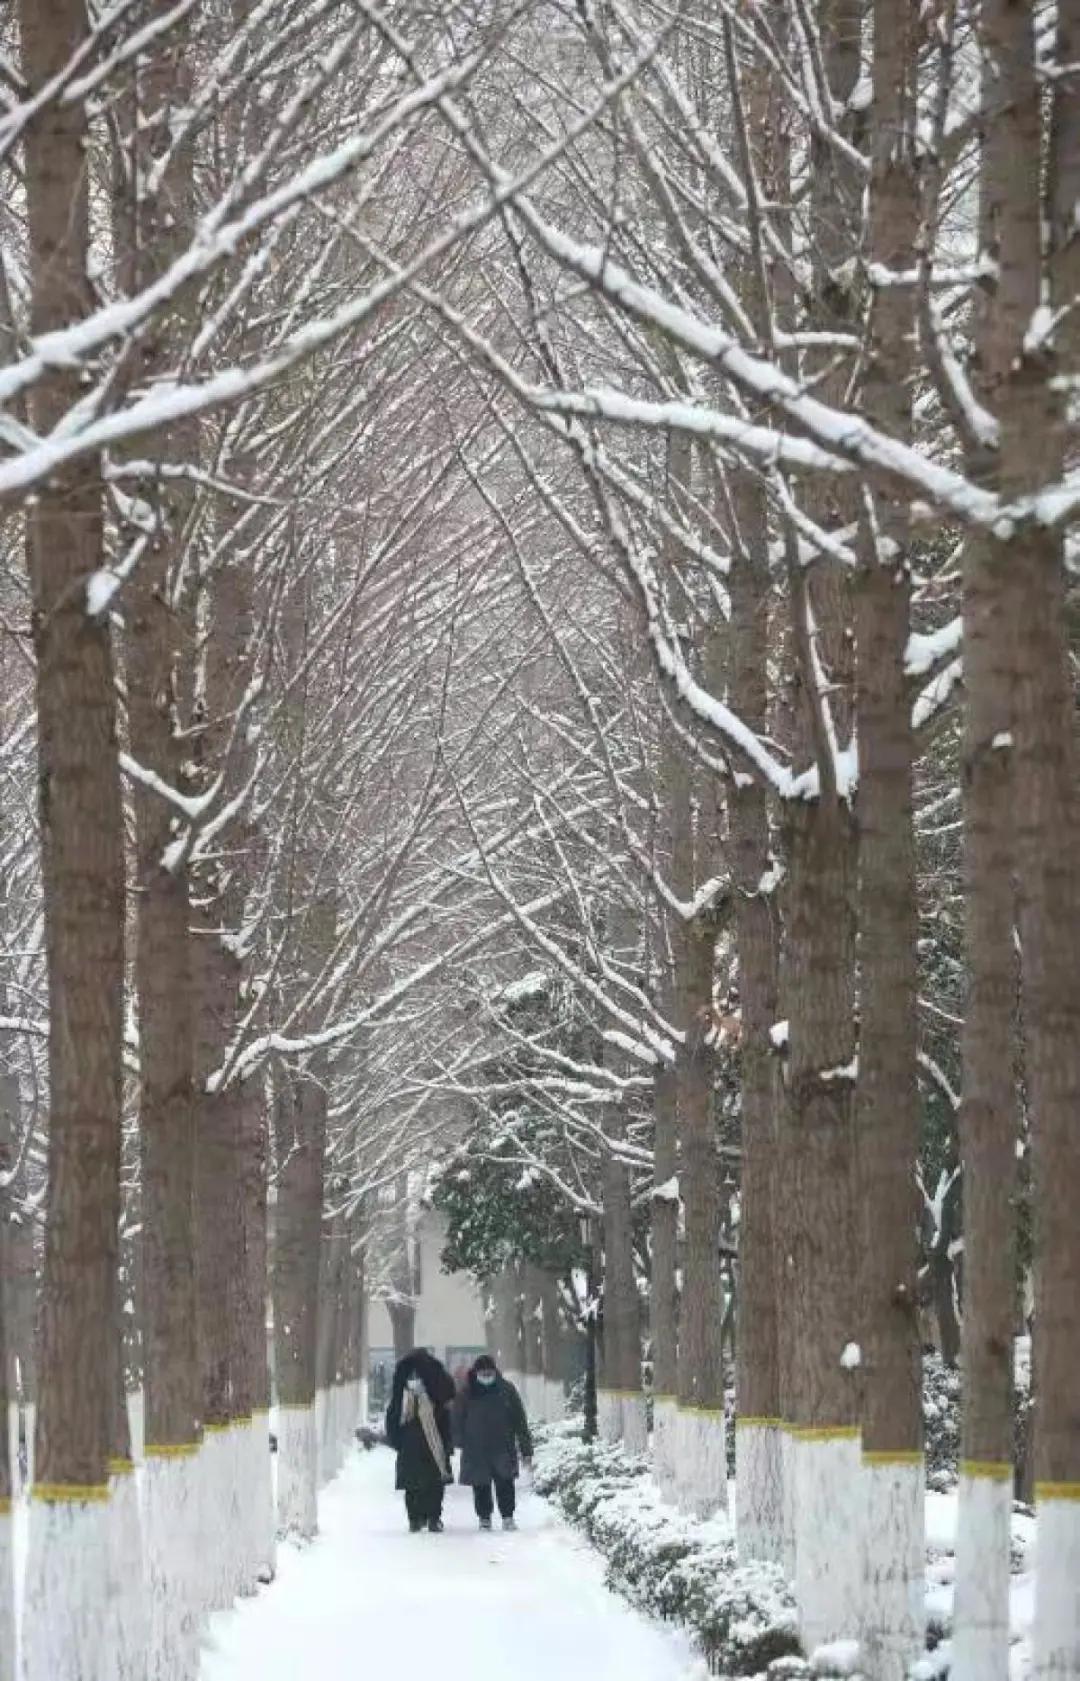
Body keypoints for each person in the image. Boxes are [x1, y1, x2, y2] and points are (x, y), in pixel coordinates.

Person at [453, 1353, 533, 1531]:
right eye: (483, 1374)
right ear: (476, 1373)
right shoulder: (467, 1392)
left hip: (502, 1445)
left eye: (489, 1373)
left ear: (495, 1372)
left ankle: (507, 1516)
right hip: (475, 1446)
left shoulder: (506, 1389)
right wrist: (458, 1439)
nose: (487, 1377)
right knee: (480, 1484)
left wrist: (525, 1447)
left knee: (505, 1482)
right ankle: (484, 1517)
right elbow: (457, 1417)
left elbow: (519, 1419)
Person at [385, 1347, 455, 1533]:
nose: (414, 1381)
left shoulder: (434, 1395)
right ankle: (416, 1518)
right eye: (411, 1377)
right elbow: (393, 1417)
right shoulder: (403, 1397)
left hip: (431, 1444)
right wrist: (397, 1440)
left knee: (431, 1483)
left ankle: (432, 1517)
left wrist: (448, 1443)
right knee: (415, 1484)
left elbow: (446, 1418)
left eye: (418, 1376)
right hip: (413, 1445)